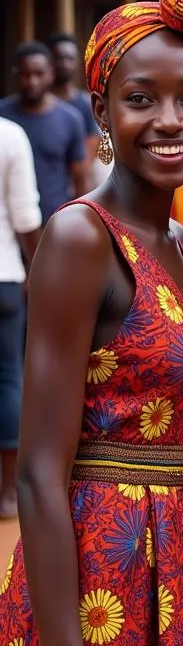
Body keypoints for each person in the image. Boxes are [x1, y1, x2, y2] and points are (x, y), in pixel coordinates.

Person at [0, 0, 183, 646]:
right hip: (94, 589)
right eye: (142, 100)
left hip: (174, 570)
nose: (170, 120)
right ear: (101, 108)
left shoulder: (181, 246)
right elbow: (36, 475)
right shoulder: (79, 237)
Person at [0, 117, 40, 519]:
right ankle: (8, 493)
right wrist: (39, 271)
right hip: (5, 276)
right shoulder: (10, 134)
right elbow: (26, 218)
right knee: (9, 376)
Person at [0, 42, 89, 223]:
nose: (32, 81)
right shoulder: (3, 116)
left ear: (50, 73)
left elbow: (80, 180)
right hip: (9, 226)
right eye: (26, 74)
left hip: (55, 221)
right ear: (15, 75)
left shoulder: (70, 119)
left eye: (39, 74)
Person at [48, 31, 100, 170]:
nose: (65, 64)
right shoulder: (37, 103)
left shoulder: (86, 103)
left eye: (70, 58)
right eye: (59, 58)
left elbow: (92, 142)